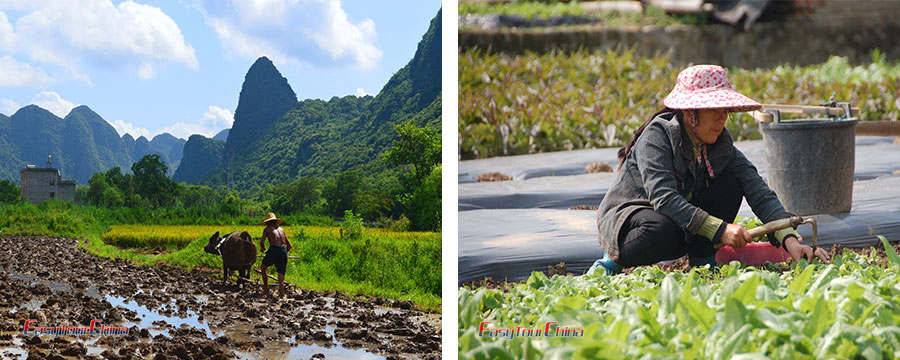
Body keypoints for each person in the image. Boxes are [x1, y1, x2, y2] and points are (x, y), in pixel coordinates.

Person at [588, 65, 829, 276]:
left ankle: (703, 261)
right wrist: (721, 230)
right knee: (661, 230)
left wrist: (789, 240)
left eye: (724, 112)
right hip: (632, 219)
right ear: (691, 114)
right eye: (714, 111)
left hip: (679, 220)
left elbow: (759, 192)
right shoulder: (657, 137)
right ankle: (610, 262)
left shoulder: (721, 146)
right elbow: (664, 198)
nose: (721, 119)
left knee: (731, 183)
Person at [259, 212, 292, 297]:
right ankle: (281, 294)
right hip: (283, 250)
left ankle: (266, 290)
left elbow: (262, 242)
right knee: (281, 274)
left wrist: (263, 248)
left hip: (273, 249)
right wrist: (283, 253)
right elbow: (289, 246)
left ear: (267, 222)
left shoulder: (267, 229)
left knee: (263, 268)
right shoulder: (282, 230)